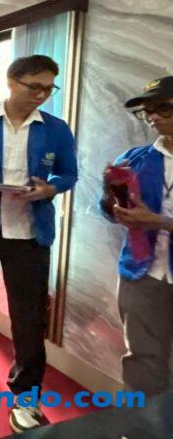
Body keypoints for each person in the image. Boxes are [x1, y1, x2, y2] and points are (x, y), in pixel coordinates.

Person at [0, 55, 78, 434]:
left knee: (29, 314)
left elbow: (69, 173)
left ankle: (27, 394)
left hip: (30, 232)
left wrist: (50, 189)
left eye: (48, 89)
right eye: (33, 86)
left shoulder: (56, 129)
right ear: (11, 81)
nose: (41, 95)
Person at [101, 76, 173, 396]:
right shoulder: (134, 159)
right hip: (140, 273)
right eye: (147, 111)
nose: (153, 116)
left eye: (163, 107)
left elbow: (152, 220)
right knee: (141, 361)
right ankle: (142, 422)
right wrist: (112, 200)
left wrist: (157, 221)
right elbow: (107, 210)